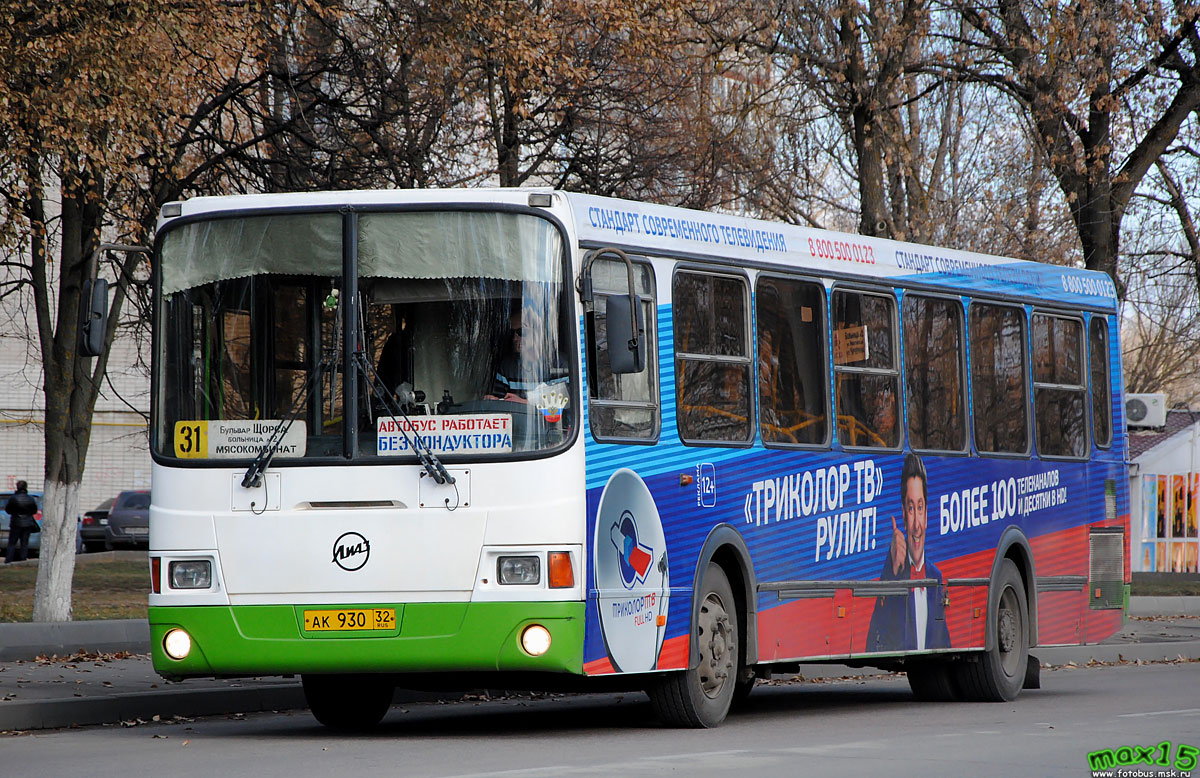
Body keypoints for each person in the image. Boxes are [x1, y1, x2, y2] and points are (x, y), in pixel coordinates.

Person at [865, 453, 951, 652]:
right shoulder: (894, 572)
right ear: (904, 515)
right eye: (911, 508)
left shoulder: (935, 578)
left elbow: (944, 646)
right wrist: (892, 573)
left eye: (920, 508)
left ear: (927, 515)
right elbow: (873, 645)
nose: (916, 525)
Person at [489, 307, 568, 402]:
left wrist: (523, 403)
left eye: (521, 332)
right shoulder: (506, 366)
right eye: (512, 333)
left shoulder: (560, 364)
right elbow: (500, 399)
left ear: (538, 332)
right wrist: (494, 401)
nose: (515, 339)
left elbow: (561, 405)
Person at [5, 480, 39, 564]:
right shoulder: (30, 498)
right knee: (24, 543)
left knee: (12, 542)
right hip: (27, 523)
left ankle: (9, 560)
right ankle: (23, 560)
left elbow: (8, 510)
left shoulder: (13, 498)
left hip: (16, 523)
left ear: (17, 487)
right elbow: (34, 510)